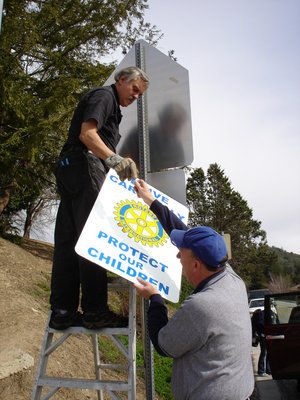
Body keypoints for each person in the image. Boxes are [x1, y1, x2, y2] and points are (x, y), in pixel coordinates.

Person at [133, 179, 254, 400]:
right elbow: (184, 232)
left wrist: (155, 298)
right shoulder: (230, 276)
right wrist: (150, 201)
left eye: (182, 252)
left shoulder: (202, 306)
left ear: (196, 264)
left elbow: (164, 344)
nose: (178, 255)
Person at [49, 67, 149, 330]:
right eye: (135, 90)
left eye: (140, 94)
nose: (136, 96)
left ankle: (63, 310)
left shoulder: (109, 103)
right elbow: (87, 134)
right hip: (84, 165)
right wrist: (113, 158)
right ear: (121, 81)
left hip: (71, 169)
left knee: (69, 241)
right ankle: (94, 311)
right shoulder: (105, 97)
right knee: (95, 236)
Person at [251, 308, 271, 376]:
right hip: (265, 336)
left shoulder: (264, 313)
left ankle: (265, 370)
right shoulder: (264, 314)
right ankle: (264, 370)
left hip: (264, 336)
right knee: (264, 353)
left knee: (265, 353)